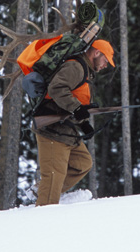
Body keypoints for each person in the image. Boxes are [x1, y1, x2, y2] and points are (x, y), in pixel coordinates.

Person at [31, 39, 115, 206]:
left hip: (66, 131)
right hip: (53, 132)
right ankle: (45, 204)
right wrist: (77, 109)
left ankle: (43, 189)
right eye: (106, 60)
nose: (106, 65)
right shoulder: (76, 67)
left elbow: (73, 100)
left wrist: (83, 122)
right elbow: (57, 89)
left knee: (83, 163)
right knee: (54, 178)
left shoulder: (84, 70)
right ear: (96, 53)